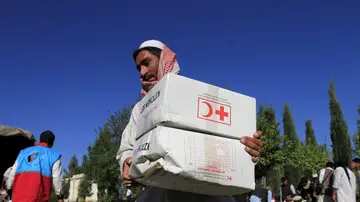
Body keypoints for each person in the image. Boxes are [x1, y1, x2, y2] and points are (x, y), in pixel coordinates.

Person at [116, 40, 263, 202]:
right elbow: (126, 149)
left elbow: (232, 142)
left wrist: (249, 151)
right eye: (138, 68)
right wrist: (127, 162)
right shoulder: (140, 109)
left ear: (163, 60)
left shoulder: (195, 95)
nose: (142, 72)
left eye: (146, 63)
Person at [6, 130, 64, 202]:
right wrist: (60, 196)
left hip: (18, 197)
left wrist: (8, 189)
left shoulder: (23, 152)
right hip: (38, 198)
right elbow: (57, 178)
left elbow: (13, 172)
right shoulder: (54, 155)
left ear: (40, 140)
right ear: (52, 143)